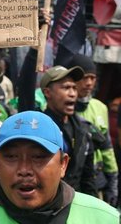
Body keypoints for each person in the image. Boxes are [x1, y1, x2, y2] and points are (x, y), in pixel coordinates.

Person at [18, 50, 97, 197]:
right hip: (46, 205)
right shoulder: (36, 125)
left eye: (74, 87)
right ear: (47, 93)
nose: (73, 93)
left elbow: (88, 177)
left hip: (75, 205)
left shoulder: (83, 129)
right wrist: (35, 51)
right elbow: (25, 86)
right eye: (66, 88)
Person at [68, 54, 119, 205]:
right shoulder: (63, 107)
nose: (89, 83)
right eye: (84, 78)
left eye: (93, 78)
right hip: (71, 181)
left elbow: (107, 148)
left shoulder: (100, 107)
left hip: (96, 180)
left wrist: (112, 182)